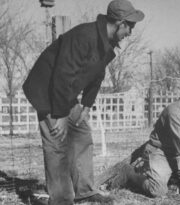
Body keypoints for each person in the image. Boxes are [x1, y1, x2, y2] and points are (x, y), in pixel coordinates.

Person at [22, 0, 144, 204]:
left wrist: (87, 105)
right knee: (57, 144)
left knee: (82, 135)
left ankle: (85, 191)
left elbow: (98, 74)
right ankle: (61, 199)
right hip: (46, 90)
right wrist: (60, 115)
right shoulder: (84, 36)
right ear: (120, 23)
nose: (130, 32)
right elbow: (62, 74)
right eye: (129, 26)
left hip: (63, 92)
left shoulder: (107, 42)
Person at [114, 79, 180, 197]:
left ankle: (166, 176)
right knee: (158, 191)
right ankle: (129, 173)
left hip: (176, 154)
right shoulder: (174, 112)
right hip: (160, 153)